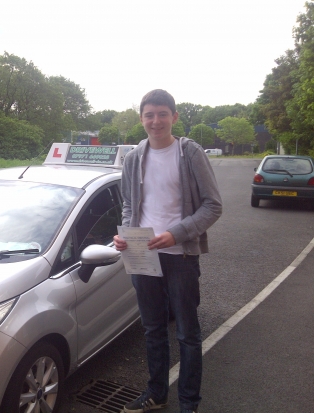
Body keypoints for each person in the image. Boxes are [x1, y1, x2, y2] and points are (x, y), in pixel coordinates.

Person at [114, 89, 222, 413]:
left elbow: (213, 206)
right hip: (142, 253)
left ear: (174, 117)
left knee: (188, 334)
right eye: (149, 114)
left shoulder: (189, 153)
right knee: (152, 330)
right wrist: (124, 235)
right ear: (142, 119)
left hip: (182, 257)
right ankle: (157, 393)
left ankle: (189, 403)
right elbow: (129, 204)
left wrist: (176, 235)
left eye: (163, 114)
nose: (156, 121)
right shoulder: (133, 158)